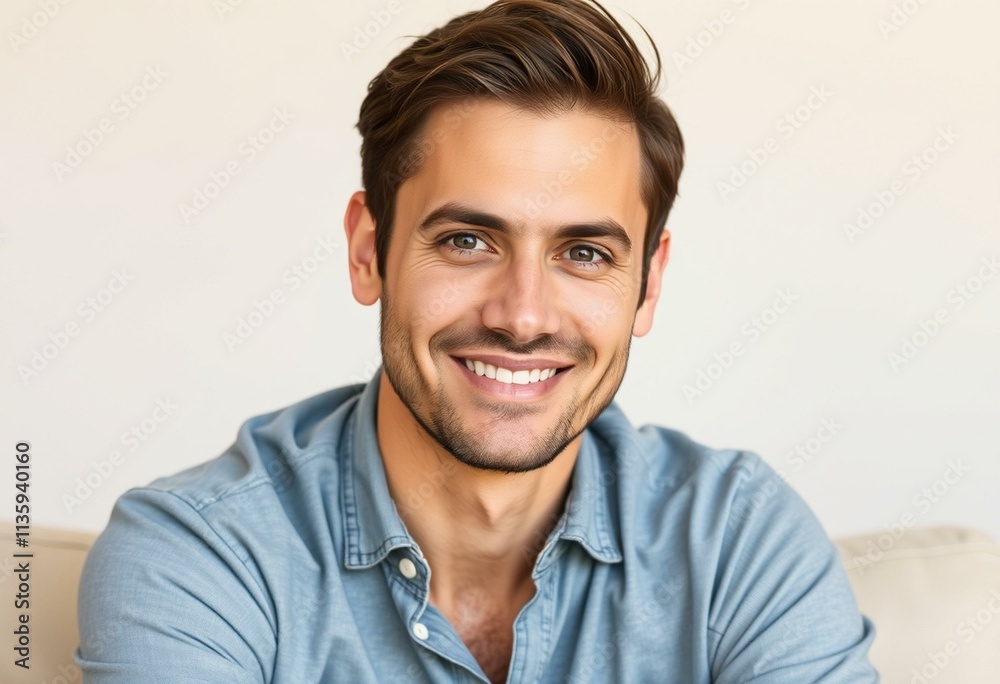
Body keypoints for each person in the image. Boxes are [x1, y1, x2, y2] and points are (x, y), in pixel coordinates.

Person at [76, 0, 878, 681]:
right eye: (467, 240)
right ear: (369, 250)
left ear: (649, 283)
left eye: (586, 253)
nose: (522, 317)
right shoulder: (199, 557)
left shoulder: (740, 540)